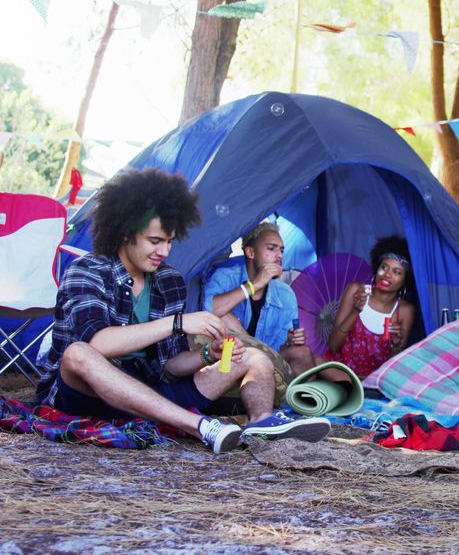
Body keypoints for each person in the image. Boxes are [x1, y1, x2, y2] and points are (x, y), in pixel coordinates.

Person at [36, 168, 330, 454]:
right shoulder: (87, 271)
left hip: (150, 392)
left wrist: (206, 356)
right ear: (125, 233)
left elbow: (169, 366)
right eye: (155, 241)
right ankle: (199, 426)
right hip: (85, 396)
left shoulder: (168, 281)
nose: (163, 252)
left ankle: (262, 421)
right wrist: (177, 322)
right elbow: (98, 344)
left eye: (169, 242)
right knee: (77, 353)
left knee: (253, 357)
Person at [203, 222, 319, 374]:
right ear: (250, 252)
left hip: (270, 362)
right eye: (271, 249)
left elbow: (279, 349)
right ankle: (258, 356)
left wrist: (290, 341)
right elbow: (208, 310)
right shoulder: (226, 276)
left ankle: (295, 395)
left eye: (281, 250)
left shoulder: (286, 294)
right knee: (223, 314)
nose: (279, 256)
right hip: (230, 356)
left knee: (302, 352)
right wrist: (254, 285)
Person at [324, 236, 417, 379]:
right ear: (376, 269)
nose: (387, 274)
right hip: (340, 374)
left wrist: (397, 345)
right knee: (315, 361)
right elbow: (333, 345)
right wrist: (356, 311)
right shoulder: (356, 290)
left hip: (373, 381)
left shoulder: (405, 310)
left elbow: (393, 368)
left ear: (405, 281)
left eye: (397, 272)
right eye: (384, 267)